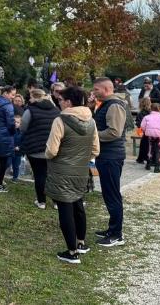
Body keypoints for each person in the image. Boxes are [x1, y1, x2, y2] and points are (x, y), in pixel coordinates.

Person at [44, 86, 100, 264]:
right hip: (80, 170)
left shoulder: (60, 121)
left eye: (60, 100)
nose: (59, 103)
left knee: (65, 210)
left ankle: (72, 251)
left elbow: (52, 150)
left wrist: (48, 155)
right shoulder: (91, 121)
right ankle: (81, 243)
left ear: (68, 102)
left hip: (62, 171)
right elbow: (96, 149)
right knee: (78, 205)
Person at [91, 77, 127, 247]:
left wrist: (93, 135)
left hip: (111, 157)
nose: (93, 92)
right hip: (106, 156)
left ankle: (116, 234)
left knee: (112, 195)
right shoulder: (105, 104)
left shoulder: (114, 105)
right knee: (108, 193)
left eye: (96, 89)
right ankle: (112, 229)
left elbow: (114, 132)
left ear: (106, 89)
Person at [20, 88, 60, 209]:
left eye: (30, 97)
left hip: (35, 148)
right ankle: (56, 201)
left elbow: (23, 128)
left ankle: (41, 201)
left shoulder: (30, 111)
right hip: (52, 148)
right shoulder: (56, 110)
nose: (29, 99)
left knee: (39, 175)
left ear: (35, 97)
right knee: (52, 175)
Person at [140, 102, 160, 173]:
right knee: (158, 150)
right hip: (159, 136)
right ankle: (157, 167)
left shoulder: (146, 117)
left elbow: (142, 126)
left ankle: (148, 164)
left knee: (150, 149)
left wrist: (146, 130)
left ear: (150, 109)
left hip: (150, 135)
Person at [134, 97, 152, 164]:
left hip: (144, 131)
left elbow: (139, 124)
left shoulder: (141, 113)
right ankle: (145, 158)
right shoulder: (151, 112)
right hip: (152, 132)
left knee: (144, 144)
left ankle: (142, 158)